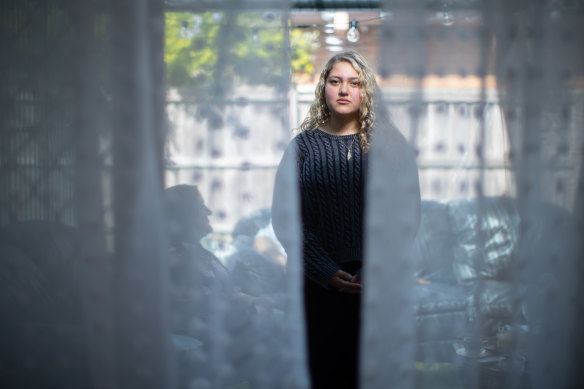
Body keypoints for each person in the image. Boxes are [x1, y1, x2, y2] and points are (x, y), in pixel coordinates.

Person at [271, 51, 421, 389]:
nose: (344, 90)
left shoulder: (392, 146)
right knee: (323, 373)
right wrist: (324, 271)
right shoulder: (302, 148)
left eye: (354, 83)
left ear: (366, 90)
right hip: (318, 281)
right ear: (323, 87)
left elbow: (406, 216)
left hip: (379, 282)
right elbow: (285, 218)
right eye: (335, 81)